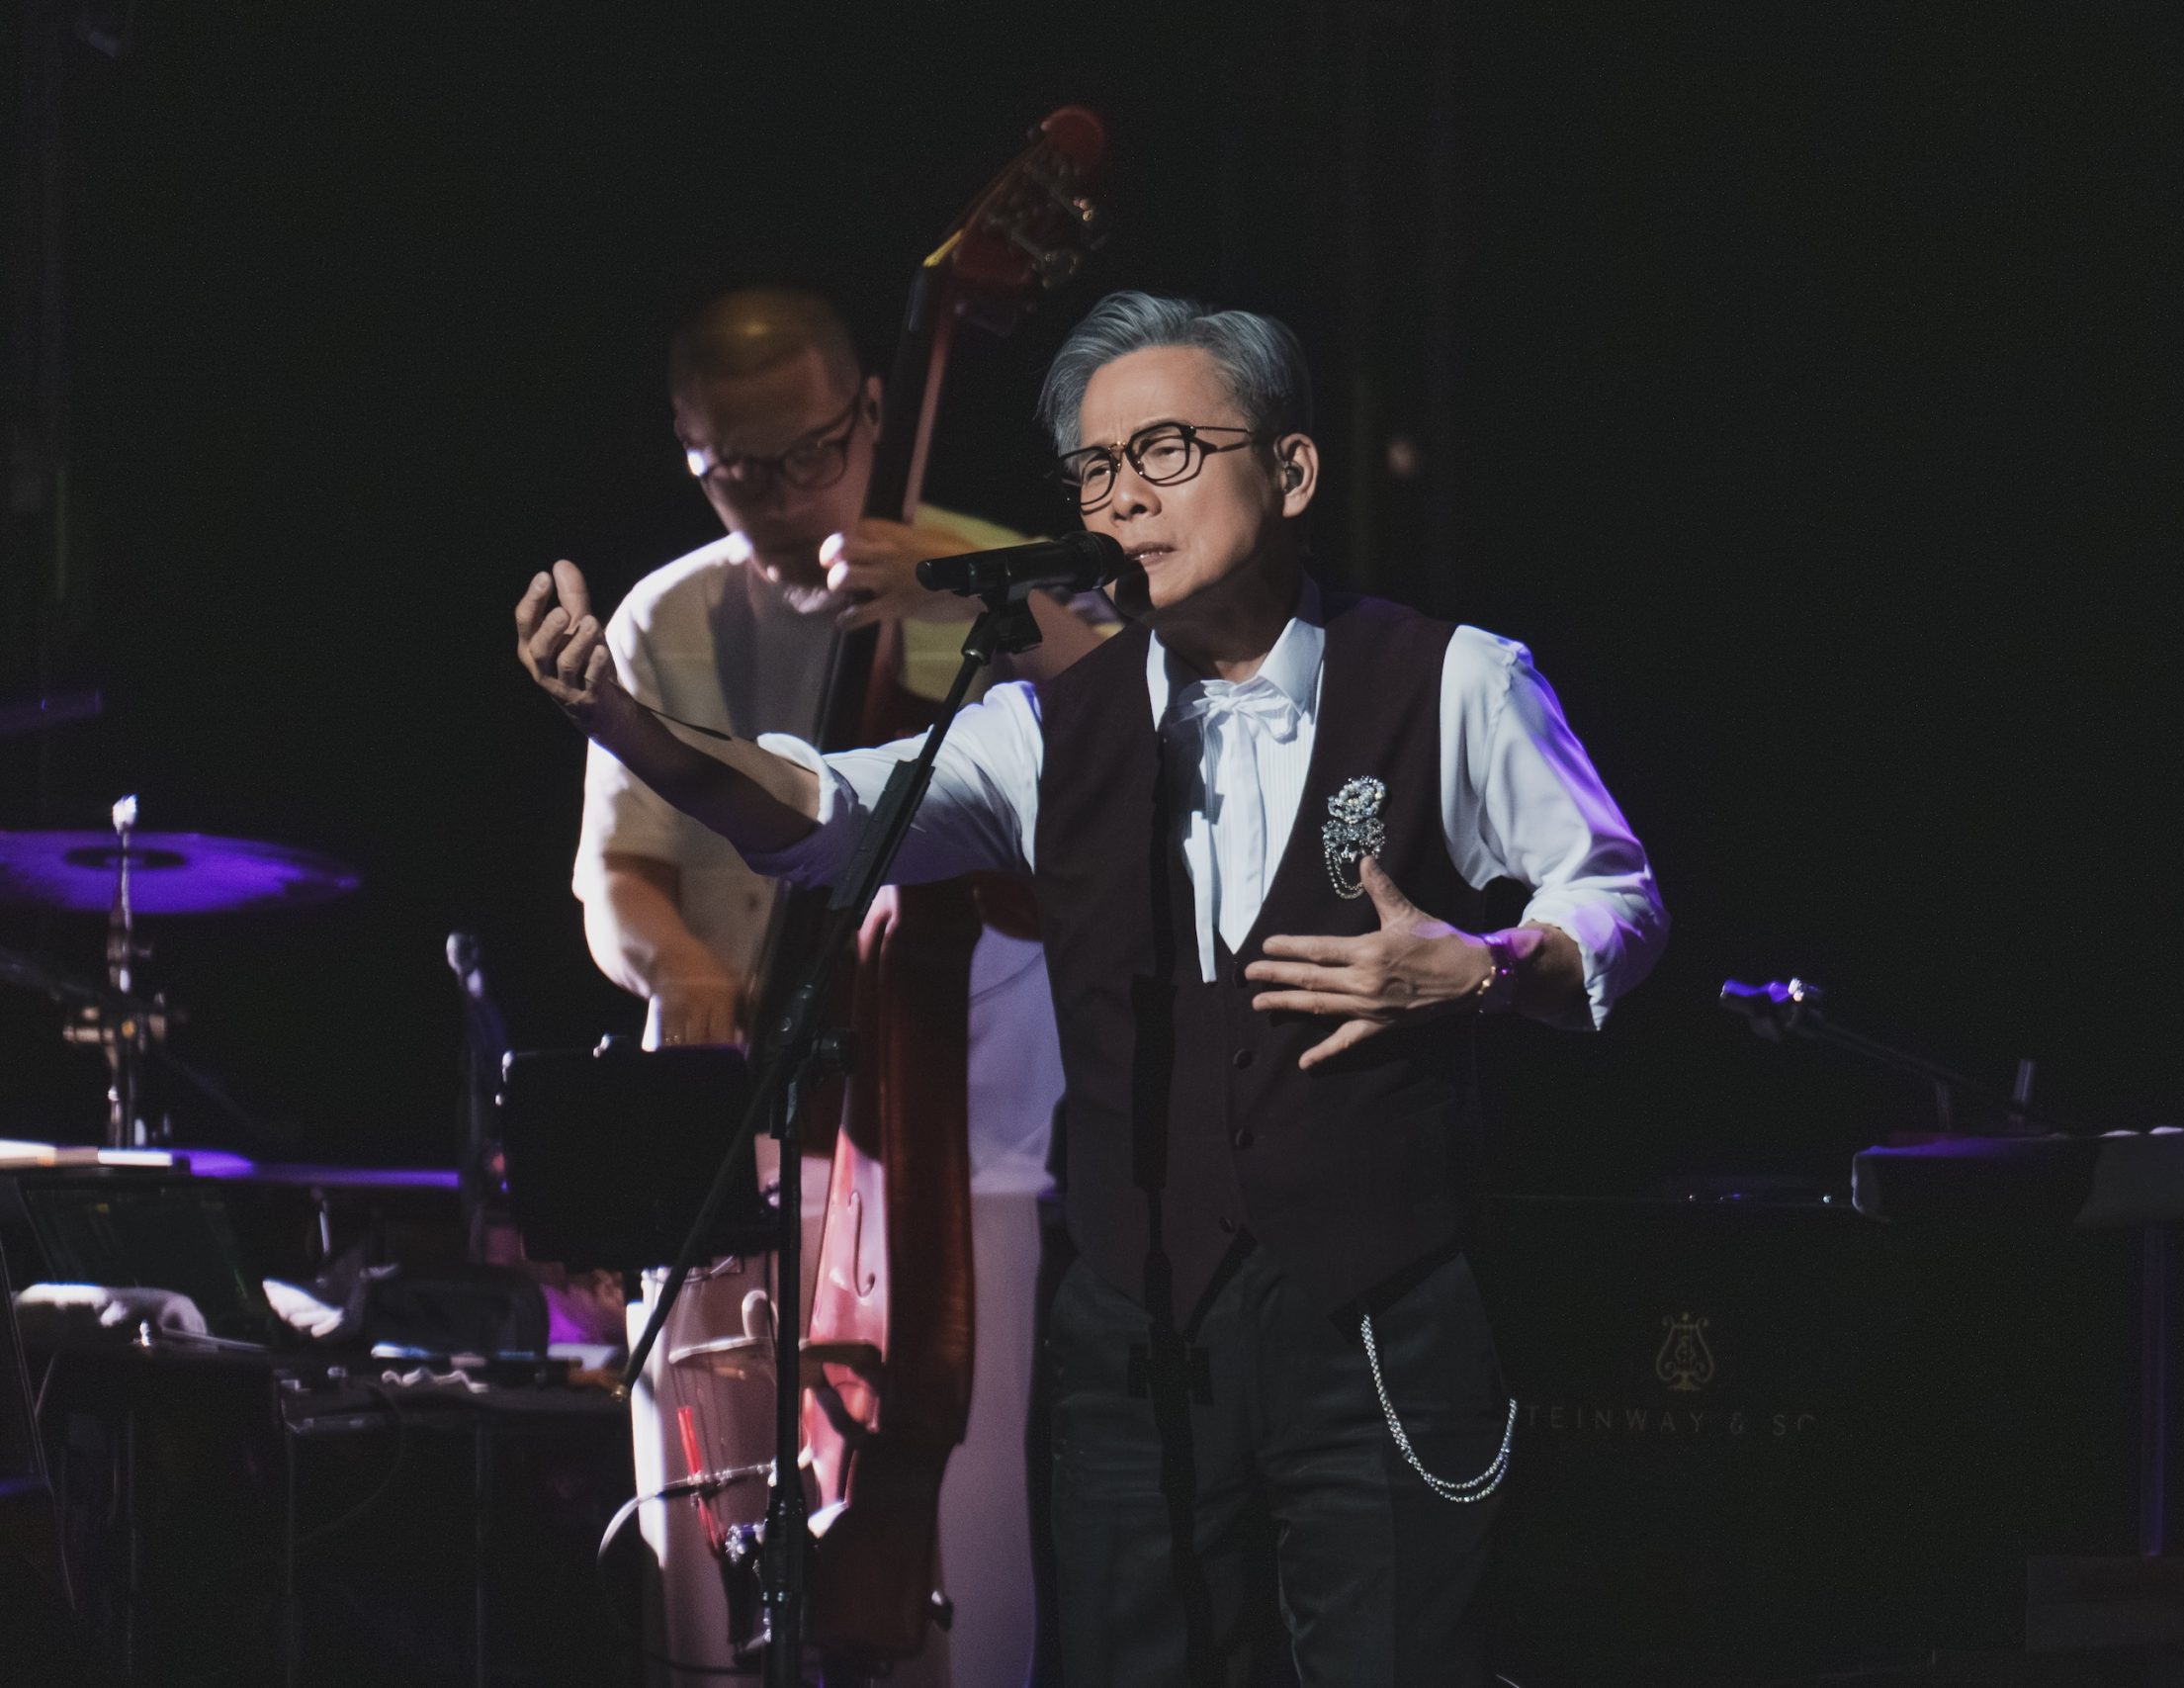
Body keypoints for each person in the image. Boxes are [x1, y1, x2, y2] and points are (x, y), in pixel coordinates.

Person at [517, 291, 1667, 1685]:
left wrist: (1487, 969)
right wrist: (624, 722)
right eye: (1097, 469)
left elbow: (1614, 899)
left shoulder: (1452, 679)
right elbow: (821, 809)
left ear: (1292, 471)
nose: (1125, 497)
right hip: (1134, 1340)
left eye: (1168, 452)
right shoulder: (1046, 725)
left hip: (1372, 1325)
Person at [573, 286, 1098, 1685]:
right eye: (737, 470)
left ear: (873, 413)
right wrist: (683, 969)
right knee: (702, 1562)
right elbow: (615, 876)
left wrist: (972, 592)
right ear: (689, 450)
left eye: (812, 453)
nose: (784, 496)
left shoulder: (992, 580)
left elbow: (1142, 750)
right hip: (728, 1138)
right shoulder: (667, 616)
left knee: (949, 1568)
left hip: (945, 1147)